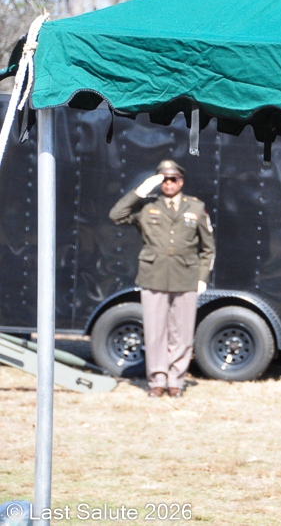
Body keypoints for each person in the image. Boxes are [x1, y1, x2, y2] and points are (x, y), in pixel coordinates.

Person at [109, 160, 215, 398]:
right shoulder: (147, 207)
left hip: (185, 278)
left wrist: (202, 278)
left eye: (173, 179)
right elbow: (116, 215)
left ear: (181, 181)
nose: (168, 184)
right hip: (153, 276)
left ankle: (176, 380)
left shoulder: (196, 207)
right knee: (154, 332)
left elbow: (209, 248)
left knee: (182, 334)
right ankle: (157, 380)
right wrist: (141, 190)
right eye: (163, 179)